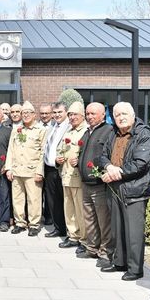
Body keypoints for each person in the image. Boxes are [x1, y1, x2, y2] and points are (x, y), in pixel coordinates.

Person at [98, 102, 150, 281]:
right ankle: (120, 262)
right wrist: (107, 166)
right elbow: (102, 155)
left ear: (132, 115)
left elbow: (141, 163)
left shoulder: (143, 134)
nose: (121, 117)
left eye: (124, 114)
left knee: (133, 231)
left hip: (135, 189)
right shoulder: (113, 134)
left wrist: (116, 172)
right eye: (117, 115)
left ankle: (135, 269)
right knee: (117, 227)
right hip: (116, 188)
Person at [76, 103, 113, 267]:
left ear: (103, 115)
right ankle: (92, 248)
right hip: (85, 182)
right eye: (88, 113)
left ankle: (105, 252)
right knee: (89, 218)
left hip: (99, 184)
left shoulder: (108, 131)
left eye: (93, 114)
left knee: (103, 220)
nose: (89, 116)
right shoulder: (86, 132)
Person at [4, 102, 46, 236]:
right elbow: (11, 149)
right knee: (17, 199)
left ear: (34, 115)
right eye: (23, 113)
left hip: (32, 171)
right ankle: (20, 222)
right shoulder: (16, 130)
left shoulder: (41, 130)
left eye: (29, 113)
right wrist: (8, 168)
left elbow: (43, 152)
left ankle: (34, 224)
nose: (26, 115)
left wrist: (40, 171)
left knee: (34, 199)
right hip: (17, 170)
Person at [57, 102, 88, 250]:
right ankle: (73, 236)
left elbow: (89, 154)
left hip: (78, 177)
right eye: (70, 115)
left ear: (82, 115)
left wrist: (80, 160)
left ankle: (84, 239)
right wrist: (58, 158)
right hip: (66, 175)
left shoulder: (86, 131)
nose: (72, 117)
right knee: (69, 210)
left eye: (75, 114)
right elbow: (60, 149)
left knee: (80, 211)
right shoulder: (68, 131)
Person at [42, 102, 70, 238]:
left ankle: (69, 230)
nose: (57, 115)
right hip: (49, 169)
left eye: (60, 112)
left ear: (66, 112)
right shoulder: (52, 126)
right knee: (53, 201)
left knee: (65, 200)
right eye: (55, 112)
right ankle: (58, 228)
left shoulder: (69, 127)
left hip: (61, 169)